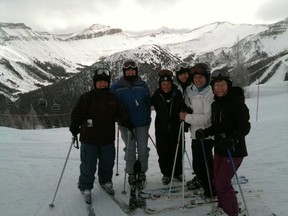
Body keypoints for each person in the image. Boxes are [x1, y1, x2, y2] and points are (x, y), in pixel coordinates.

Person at [69, 68, 133, 203]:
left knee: (107, 163)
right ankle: (85, 187)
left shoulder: (113, 98)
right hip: (89, 139)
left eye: (105, 82)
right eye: (99, 82)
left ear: (108, 83)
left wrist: (127, 122)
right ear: (95, 83)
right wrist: (74, 125)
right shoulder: (87, 97)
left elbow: (120, 112)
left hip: (107, 139)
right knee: (88, 165)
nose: (102, 84)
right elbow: (77, 113)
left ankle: (105, 181)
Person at [195, 69, 251, 216]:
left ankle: (231, 212)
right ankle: (222, 207)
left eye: (223, 85)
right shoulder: (216, 104)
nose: (219, 88)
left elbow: (245, 126)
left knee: (222, 182)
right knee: (216, 181)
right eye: (217, 85)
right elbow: (216, 126)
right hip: (219, 148)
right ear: (213, 87)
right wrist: (205, 132)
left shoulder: (237, 104)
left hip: (234, 149)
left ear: (228, 86)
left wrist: (233, 138)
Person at [110, 60, 151, 188]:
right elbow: (112, 105)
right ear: (124, 71)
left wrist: (147, 117)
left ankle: (142, 171)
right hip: (125, 124)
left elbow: (148, 102)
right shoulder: (116, 87)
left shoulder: (143, 85)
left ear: (136, 71)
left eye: (133, 70)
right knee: (130, 150)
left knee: (143, 149)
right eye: (128, 70)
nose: (130, 72)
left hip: (142, 123)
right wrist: (119, 118)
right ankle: (131, 173)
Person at [179, 63, 216, 198]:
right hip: (195, 134)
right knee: (206, 163)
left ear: (206, 77)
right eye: (195, 78)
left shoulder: (210, 92)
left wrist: (186, 117)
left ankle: (211, 190)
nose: (198, 80)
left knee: (199, 166)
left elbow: (207, 118)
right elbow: (187, 104)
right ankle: (212, 183)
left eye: (201, 77)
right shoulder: (190, 89)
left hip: (205, 134)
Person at [151, 69, 184, 185]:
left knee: (177, 151)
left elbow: (185, 106)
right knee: (163, 152)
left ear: (172, 83)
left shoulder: (178, 94)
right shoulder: (157, 95)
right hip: (161, 129)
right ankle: (167, 173)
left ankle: (178, 172)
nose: (166, 87)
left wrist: (185, 112)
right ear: (160, 85)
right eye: (163, 84)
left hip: (176, 128)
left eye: (168, 84)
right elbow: (145, 105)